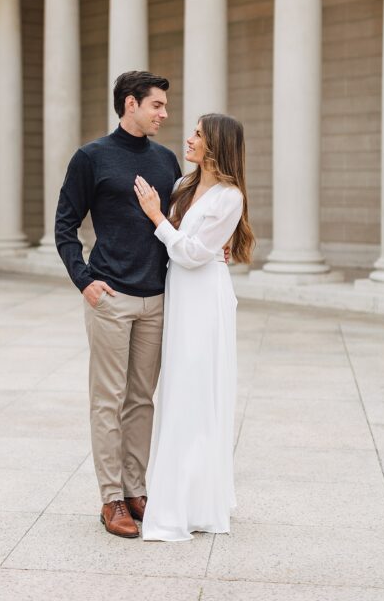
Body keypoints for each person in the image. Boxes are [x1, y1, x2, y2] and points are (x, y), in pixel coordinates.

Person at [55, 70, 181, 539]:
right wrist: (85, 281)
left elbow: (179, 222)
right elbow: (65, 226)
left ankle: (135, 489)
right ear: (131, 104)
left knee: (141, 400)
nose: (164, 114)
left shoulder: (167, 161)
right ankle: (111, 498)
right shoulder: (91, 158)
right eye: (157, 106)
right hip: (110, 297)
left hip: (157, 298)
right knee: (107, 401)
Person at [133, 113, 254, 541]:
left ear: (215, 145)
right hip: (180, 294)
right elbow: (182, 250)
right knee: (177, 389)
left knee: (196, 391)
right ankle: (178, 493)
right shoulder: (184, 186)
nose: (188, 139)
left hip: (205, 299)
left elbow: (193, 254)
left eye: (198, 135)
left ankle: (192, 503)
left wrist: (156, 217)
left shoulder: (229, 197)